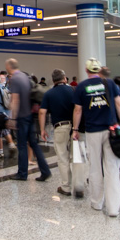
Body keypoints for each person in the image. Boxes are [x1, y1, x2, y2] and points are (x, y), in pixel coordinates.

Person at [72, 59, 120, 216]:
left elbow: (77, 110)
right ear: (98, 69)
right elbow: (119, 105)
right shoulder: (110, 84)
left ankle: (97, 203)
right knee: (112, 168)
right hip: (111, 130)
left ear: (86, 70)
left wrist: (75, 129)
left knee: (95, 167)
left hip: (92, 131)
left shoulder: (81, 87)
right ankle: (113, 208)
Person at [6, 58, 51, 182]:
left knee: (21, 145)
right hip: (30, 115)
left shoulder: (14, 78)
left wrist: (12, 118)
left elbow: (15, 100)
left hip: (22, 117)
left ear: (9, 67)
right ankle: (45, 170)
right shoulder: (25, 77)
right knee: (34, 144)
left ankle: (22, 173)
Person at [39, 69, 76, 197]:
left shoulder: (49, 93)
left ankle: (66, 187)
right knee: (76, 157)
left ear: (53, 80)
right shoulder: (73, 90)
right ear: (65, 78)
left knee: (62, 157)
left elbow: (42, 112)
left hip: (60, 127)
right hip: (75, 127)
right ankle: (79, 185)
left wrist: (42, 129)